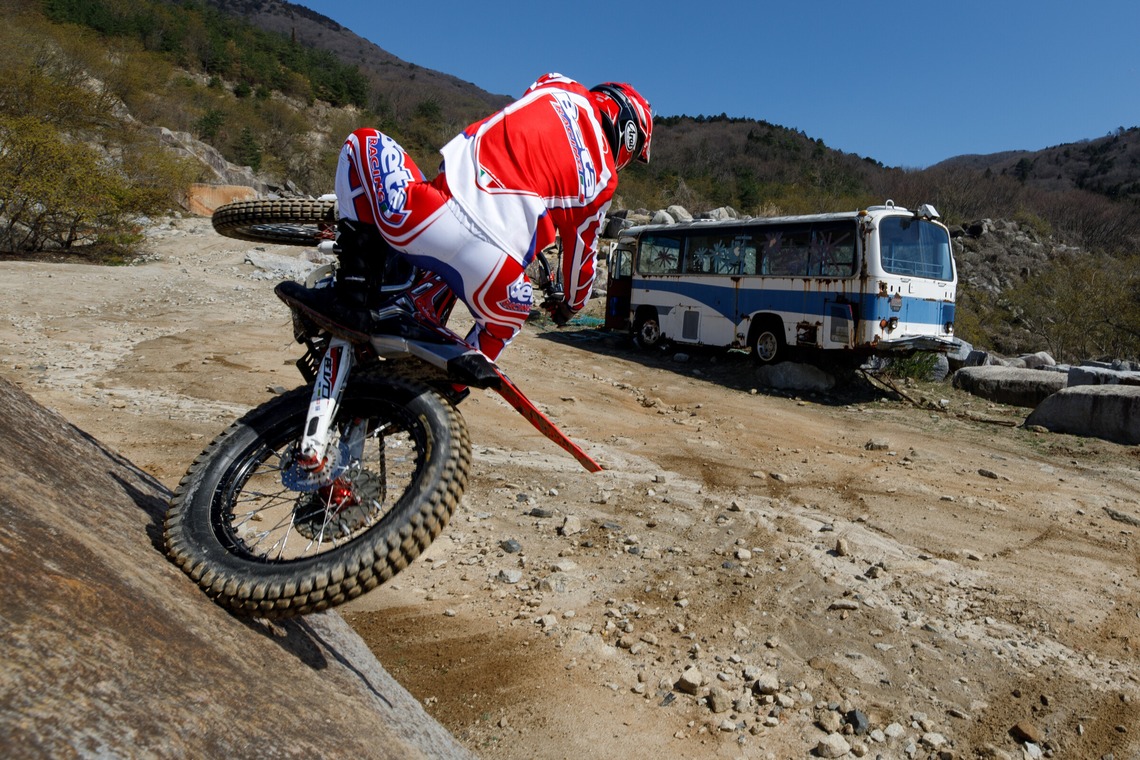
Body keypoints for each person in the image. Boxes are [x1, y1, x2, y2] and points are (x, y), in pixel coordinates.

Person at [276, 72, 652, 363]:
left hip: (434, 217)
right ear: (628, 139)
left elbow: (526, 116)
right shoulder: (604, 183)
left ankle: (352, 293)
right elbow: (579, 273)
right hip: (496, 271)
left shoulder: (560, 85)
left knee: (363, 141)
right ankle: (442, 389)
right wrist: (569, 307)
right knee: (511, 313)